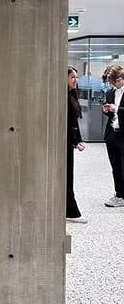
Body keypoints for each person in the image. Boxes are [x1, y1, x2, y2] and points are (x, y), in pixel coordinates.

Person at [66, 67, 87, 223]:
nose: (76, 80)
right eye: (72, 77)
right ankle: (71, 213)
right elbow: (66, 124)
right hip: (64, 143)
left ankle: (70, 211)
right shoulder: (63, 97)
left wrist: (78, 140)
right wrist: (75, 141)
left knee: (69, 177)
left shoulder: (71, 95)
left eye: (76, 77)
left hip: (68, 143)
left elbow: (73, 122)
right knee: (66, 178)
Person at [102, 64, 124, 207]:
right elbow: (111, 113)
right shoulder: (110, 93)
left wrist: (118, 109)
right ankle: (119, 195)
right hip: (112, 135)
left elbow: (119, 110)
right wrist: (107, 110)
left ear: (121, 77)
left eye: (113, 81)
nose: (112, 84)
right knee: (115, 166)